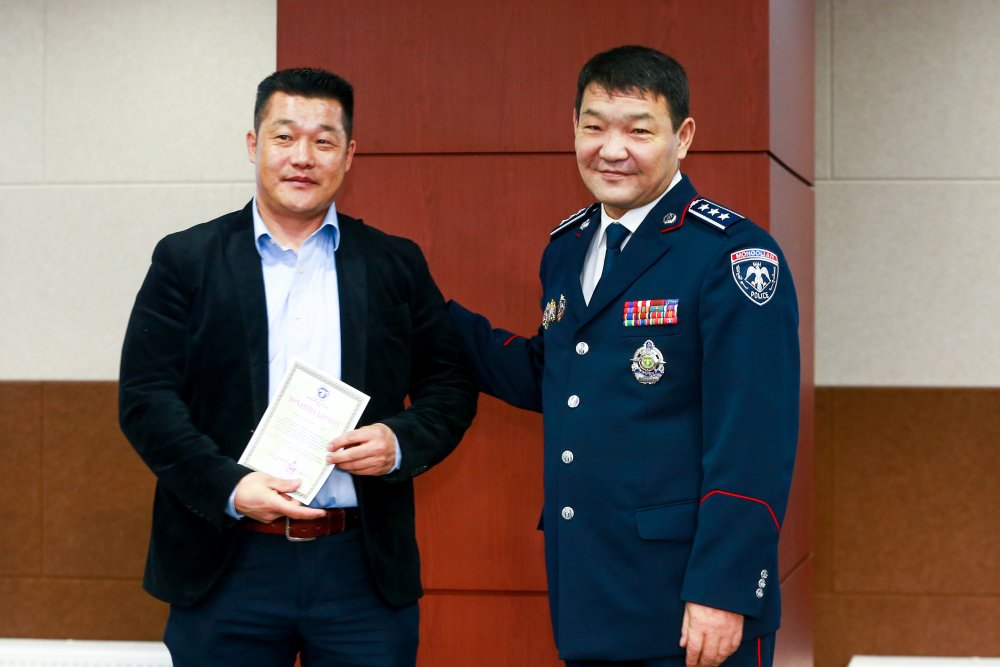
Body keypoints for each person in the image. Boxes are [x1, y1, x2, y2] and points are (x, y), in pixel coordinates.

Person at [448, 45, 799, 667]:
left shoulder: (733, 257)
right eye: (594, 127)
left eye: (639, 130)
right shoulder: (568, 247)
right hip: (590, 589)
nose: (612, 150)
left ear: (682, 137)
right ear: (573, 129)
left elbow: (754, 440)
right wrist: (428, 314)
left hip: (689, 605)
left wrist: (723, 591)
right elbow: (558, 377)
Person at [119, 67, 477, 666]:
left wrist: (398, 442)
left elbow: (450, 383)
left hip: (360, 567)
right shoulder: (186, 260)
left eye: (323, 141)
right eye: (284, 137)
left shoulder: (394, 264)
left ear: (349, 155)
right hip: (225, 562)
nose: (302, 157)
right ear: (254, 144)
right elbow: (146, 398)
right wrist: (230, 486)